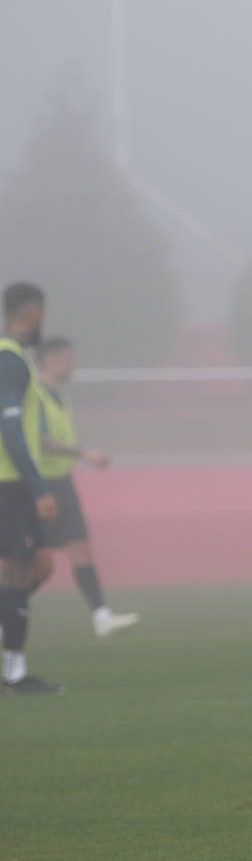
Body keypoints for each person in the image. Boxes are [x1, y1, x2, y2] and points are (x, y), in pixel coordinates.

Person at [34, 337, 139, 637]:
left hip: (62, 484)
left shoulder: (60, 395)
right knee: (37, 567)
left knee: (81, 550)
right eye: (67, 357)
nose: (72, 364)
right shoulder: (35, 396)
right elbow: (41, 439)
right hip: (38, 487)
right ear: (50, 359)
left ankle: (101, 617)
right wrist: (83, 454)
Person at [0, 282, 62, 694]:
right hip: (11, 484)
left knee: (39, 566)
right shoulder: (11, 359)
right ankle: (15, 673)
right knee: (16, 572)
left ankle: (14, 669)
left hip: (14, 483)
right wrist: (38, 488)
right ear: (34, 312)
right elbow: (9, 428)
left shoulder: (14, 357)